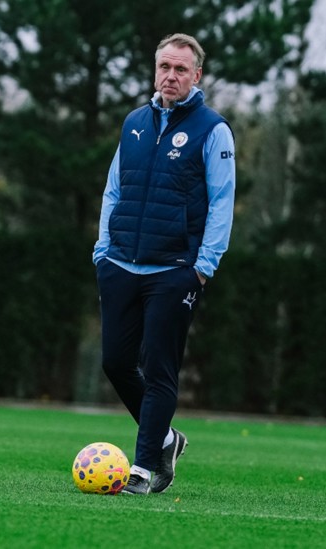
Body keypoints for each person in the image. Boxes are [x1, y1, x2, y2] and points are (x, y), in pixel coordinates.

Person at [92, 33, 236, 495]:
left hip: (175, 270)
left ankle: (143, 466)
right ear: (155, 71)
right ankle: (168, 440)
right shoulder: (133, 122)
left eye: (180, 69)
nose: (170, 76)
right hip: (119, 264)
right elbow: (114, 189)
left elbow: (222, 201)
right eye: (164, 67)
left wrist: (203, 265)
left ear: (197, 76)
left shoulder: (213, 130)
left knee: (159, 370)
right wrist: (102, 249)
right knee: (115, 361)